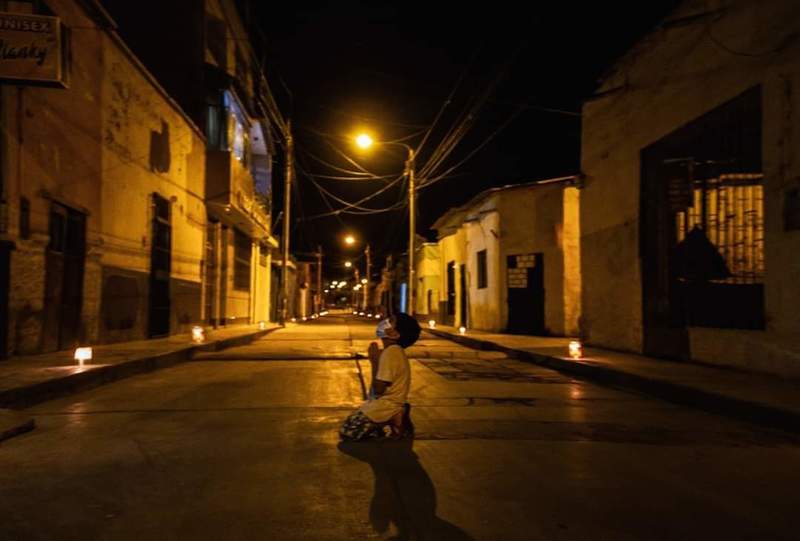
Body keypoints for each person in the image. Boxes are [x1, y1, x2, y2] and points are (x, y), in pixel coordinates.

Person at [340, 313, 421, 441]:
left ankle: (396, 416)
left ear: (395, 334)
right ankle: (388, 420)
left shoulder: (391, 353)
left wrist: (374, 361)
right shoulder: (393, 351)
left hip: (388, 405)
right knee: (355, 425)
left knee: (349, 430)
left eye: (391, 321)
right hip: (385, 402)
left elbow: (378, 389)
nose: (385, 322)